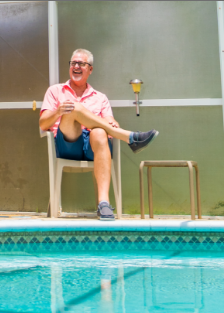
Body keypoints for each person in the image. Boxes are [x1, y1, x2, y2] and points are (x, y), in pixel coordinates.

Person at [39, 48, 158, 221]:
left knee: (101, 132)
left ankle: (103, 203)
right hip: (68, 143)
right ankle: (129, 137)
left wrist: (112, 124)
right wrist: (58, 111)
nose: (76, 66)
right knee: (72, 107)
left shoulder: (100, 98)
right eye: (73, 63)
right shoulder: (55, 91)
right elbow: (43, 123)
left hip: (93, 148)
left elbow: (109, 119)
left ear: (90, 69)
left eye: (81, 63)